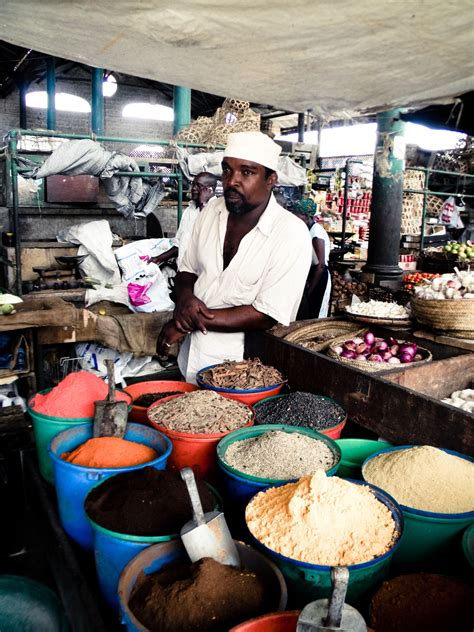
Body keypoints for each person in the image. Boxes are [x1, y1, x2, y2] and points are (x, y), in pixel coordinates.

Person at [157, 131, 312, 383]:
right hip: (193, 355)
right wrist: (184, 300)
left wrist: (189, 321)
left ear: (270, 180)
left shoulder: (291, 233)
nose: (232, 181)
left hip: (244, 369)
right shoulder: (211, 213)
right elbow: (187, 269)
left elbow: (266, 314)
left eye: (247, 172)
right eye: (227, 170)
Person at [151, 172, 218, 267]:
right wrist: (159, 258)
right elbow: (180, 242)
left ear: (210, 190)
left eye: (199, 186)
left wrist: (203, 204)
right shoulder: (190, 209)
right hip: (184, 270)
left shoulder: (218, 210)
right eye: (193, 184)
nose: (193, 188)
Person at [293, 198, 332, 318]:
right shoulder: (308, 229)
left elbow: (320, 265)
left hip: (319, 276)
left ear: (306, 216)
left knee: (315, 312)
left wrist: (310, 290)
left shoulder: (316, 233)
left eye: (298, 215)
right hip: (314, 274)